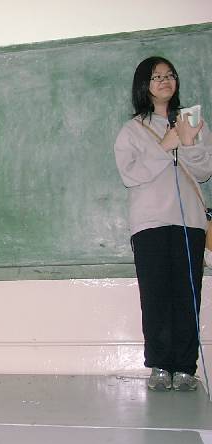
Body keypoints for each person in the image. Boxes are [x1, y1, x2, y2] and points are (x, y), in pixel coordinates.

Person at [114, 57, 212, 391]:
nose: (165, 81)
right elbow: (130, 175)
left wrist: (188, 142)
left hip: (190, 223)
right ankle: (158, 366)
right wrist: (166, 145)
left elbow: (204, 171)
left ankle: (184, 368)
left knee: (187, 296)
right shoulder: (132, 129)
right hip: (150, 224)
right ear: (144, 84)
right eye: (157, 77)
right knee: (155, 297)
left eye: (170, 75)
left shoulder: (192, 121)